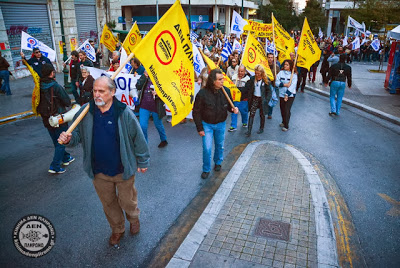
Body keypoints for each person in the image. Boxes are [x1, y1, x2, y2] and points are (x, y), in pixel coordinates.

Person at [58, 76, 150, 246]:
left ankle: (134, 218)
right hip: (98, 170)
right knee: (108, 203)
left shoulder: (123, 112)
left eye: (101, 91)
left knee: (127, 201)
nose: (97, 95)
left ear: (112, 92)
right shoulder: (85, 112)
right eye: (94, 91)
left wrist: (143, 161)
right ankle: (117, 229)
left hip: (123, 169)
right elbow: (76, 137)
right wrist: (68, 139)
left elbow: (138, 138)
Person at [193, 69, 238, 179]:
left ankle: (218, 162)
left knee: (219, 145)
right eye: (220, 79)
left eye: (222, 79)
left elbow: (229, 107)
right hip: (207, 125)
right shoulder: (202, 94)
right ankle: (206, 169)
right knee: (207, 148)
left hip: (221, 124)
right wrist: (200, 128)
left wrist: (233, 110)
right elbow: (196, 111)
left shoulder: (226, 92)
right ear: (213, 81)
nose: (223, 81)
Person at [37, 64, 74, 173]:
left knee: (56, 140)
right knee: (61, 141)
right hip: (58, 118)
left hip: (46, 118)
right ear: (51, 73)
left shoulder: (39, 85)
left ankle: (66, 157)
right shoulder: (55, 86)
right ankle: (55, 166)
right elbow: (67, 101)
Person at [135, 70, 168, 148]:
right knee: (142, 126)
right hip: (144, 105)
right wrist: (144, 76)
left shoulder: (161, 76)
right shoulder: (145, 76)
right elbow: (138, 86)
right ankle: (144, 144)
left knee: (158, 124)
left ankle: (164, 139)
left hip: (156, 106)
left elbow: (167, 91)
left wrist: (158, 93)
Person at [244, 64, 273, 137]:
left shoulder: (266, 80)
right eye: (256, 73)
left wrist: (267, 100)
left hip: (262, 99)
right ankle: (249, 130)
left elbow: (269, 91)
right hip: (255, 98)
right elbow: (248, 88)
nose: (257, 74)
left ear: (262, 72)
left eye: (258, 73)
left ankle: (261, 128)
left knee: (262, 114)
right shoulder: (252, 79)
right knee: (252, 114)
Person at [276, 59, 297, 131]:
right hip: (281, 94)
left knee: (287, 109)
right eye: (285, 64)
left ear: (290, 66)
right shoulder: (281, 73)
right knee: (282, 109)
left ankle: (286, 125)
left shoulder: (294, 75)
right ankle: (283, 121)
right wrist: (284, 84)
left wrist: (287, 94)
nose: (285, 66)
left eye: (287, 65)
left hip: (290, 95)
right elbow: (277, 82)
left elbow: (293, 86)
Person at [229, 65, 250, 132]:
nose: (240, 73)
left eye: (242, 71)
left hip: (243, 99)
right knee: (234, 112)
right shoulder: (234, 77)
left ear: (245, 71)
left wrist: (239, 90)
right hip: (235, 99)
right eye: (239, 71)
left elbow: (247, 90)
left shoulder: (247, 79)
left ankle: (244, 121)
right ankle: (233, 125)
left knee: (244, 112)